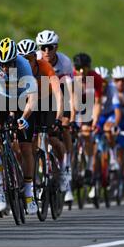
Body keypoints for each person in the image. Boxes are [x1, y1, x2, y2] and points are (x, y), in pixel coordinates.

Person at [0, 37, 39, 215]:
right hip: (1, 99)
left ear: (16, 60)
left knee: (25, 146)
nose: (6, 68)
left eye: (9, 64)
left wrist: (23, 118)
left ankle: (29, 194)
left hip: (22, 99)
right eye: (3, 64)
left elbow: (32, 97)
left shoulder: (24, 66)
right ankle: (0, 190)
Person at [17, 39, 70, 199]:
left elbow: (58, 94)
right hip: (28, 103)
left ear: (35, 57)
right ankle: (34, 181)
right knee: (29, 147)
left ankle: (62, 171)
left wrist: (59, 118)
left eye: (29, 58)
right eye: (22, 58)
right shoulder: (17, 69)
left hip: (48, 102)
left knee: (53, 139)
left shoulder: (45, 67)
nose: (26, 62)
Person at [36, 30, 75, 189]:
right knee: (39, 133)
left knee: (64, 128)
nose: (46, 52)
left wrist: (70, 116)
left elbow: (71, 93)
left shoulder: (65, 63)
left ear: (56, 47)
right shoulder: (36, 59)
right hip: (43, 95)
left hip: (62, 95)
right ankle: (41, 165)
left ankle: (66, 166)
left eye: (50, 48)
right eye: (43, 47)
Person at [72, 53, 103, 199]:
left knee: (86, 133)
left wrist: (94, 122)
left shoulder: (95, 78)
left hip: (89, 107)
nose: (82, 72)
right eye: (79, 68)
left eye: (84, 68)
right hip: (74, 105)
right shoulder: (71, 75)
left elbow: (97, 102)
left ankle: (89, 166)